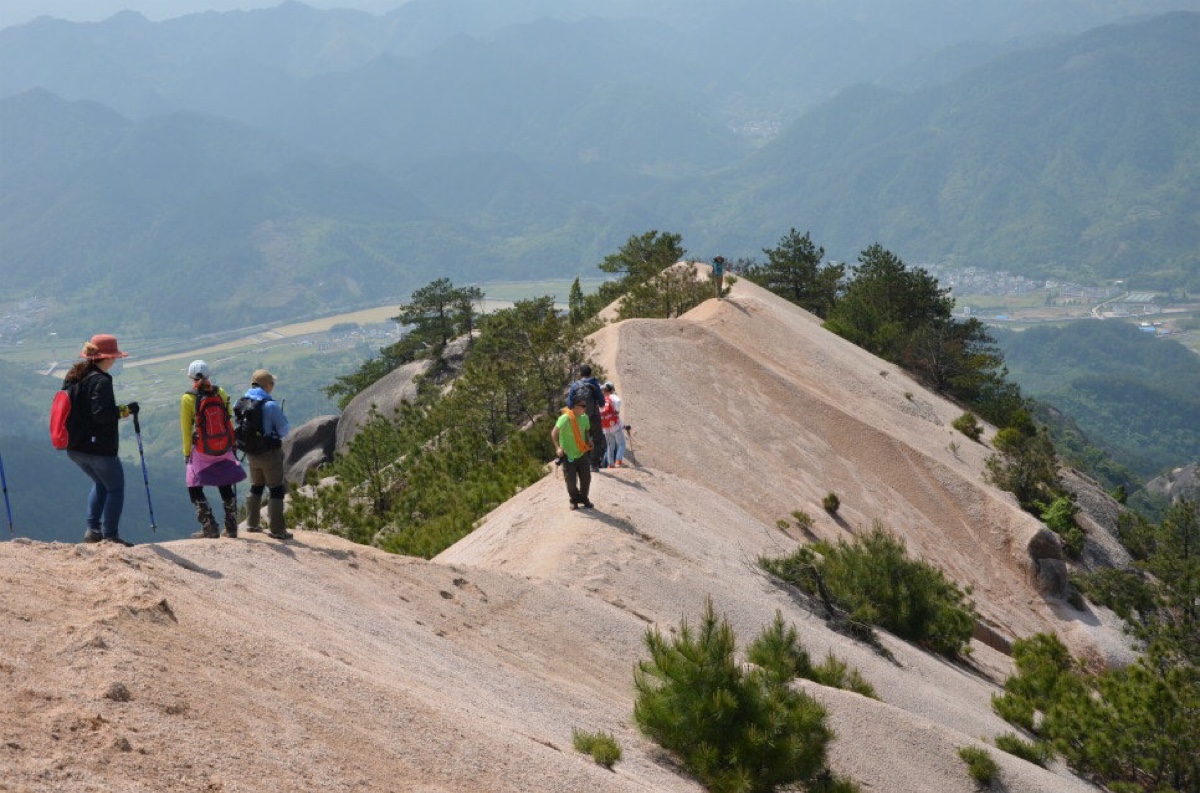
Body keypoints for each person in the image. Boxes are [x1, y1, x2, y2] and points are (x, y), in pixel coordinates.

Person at [61, 334, 138, 547]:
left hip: (74, 447)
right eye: (114, 356)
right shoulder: (101, 381)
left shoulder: (73, 375)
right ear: (108, 358)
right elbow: (101, 414)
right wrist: (125, 410)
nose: (115, 360)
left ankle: (92, 530)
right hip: (98, 448)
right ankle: (111, 536)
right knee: (115, 487)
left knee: (101, 483)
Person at [181, 360, 246, 539]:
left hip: (202, 450)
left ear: (191, 377)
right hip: (223, 447)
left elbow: (187, 430)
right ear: (209, 375)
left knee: (193, 485)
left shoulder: (188, 398)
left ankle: (209, 526)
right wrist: (231, 444)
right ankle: (232, 526)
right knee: (224, 481)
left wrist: (187, 453)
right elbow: (228, 419)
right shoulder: (221, 392)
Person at [240, 369, 292, 540]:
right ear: (267, 385)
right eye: (272, 383)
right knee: (276, 490)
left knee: (256, 487)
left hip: (251, 454)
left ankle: (252, 524)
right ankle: (277, 530)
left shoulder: (243, 402)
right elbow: (285, 430)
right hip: (269, 454)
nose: (273, 386)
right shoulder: (270, 405)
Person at [551, 399, 593, 510]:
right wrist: (558, 448)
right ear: (574, 407)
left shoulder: (584, 418)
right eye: (582, 405)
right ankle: (574, 500)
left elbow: (586, 431)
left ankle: (584, 498)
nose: (585, 408)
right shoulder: (564, 419)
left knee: (586, 478)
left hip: (582, 454)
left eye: (585, 405)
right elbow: (554, 433)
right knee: (571, 482)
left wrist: (588, 441)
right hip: (568, 456)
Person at [567, 364, 606, 471]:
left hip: (580, 418)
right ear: (590, 373)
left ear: (581, 374)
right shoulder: (594, 383)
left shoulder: (575, 386)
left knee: (581, 439)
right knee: (597, 439)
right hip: (593, 416)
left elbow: (569, 404)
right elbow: (602, 402)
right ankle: (593, 465)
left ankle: (583, 464)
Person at [600, 381, 627, 468]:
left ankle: (610, 464)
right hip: (614, 426)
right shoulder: (612, 396)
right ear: (612, 389)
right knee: (621, 444)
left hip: (605, 427)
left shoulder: (602, 399)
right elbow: (618, 401)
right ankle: (618, 461)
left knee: (610, 446)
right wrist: (617, 411)